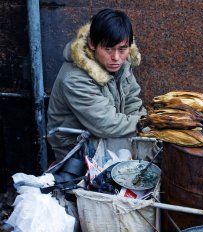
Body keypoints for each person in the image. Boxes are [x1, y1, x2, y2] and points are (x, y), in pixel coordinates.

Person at [47, 8, 145, 162]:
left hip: (111, 136)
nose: (116, 57)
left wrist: (145, 125)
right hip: (77, 149)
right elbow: (105, 124)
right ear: (92, 44)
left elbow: (133, 103)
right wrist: (146, 124)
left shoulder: (122, 64)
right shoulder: (74, 78)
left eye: (122, 49)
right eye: (108, 49)